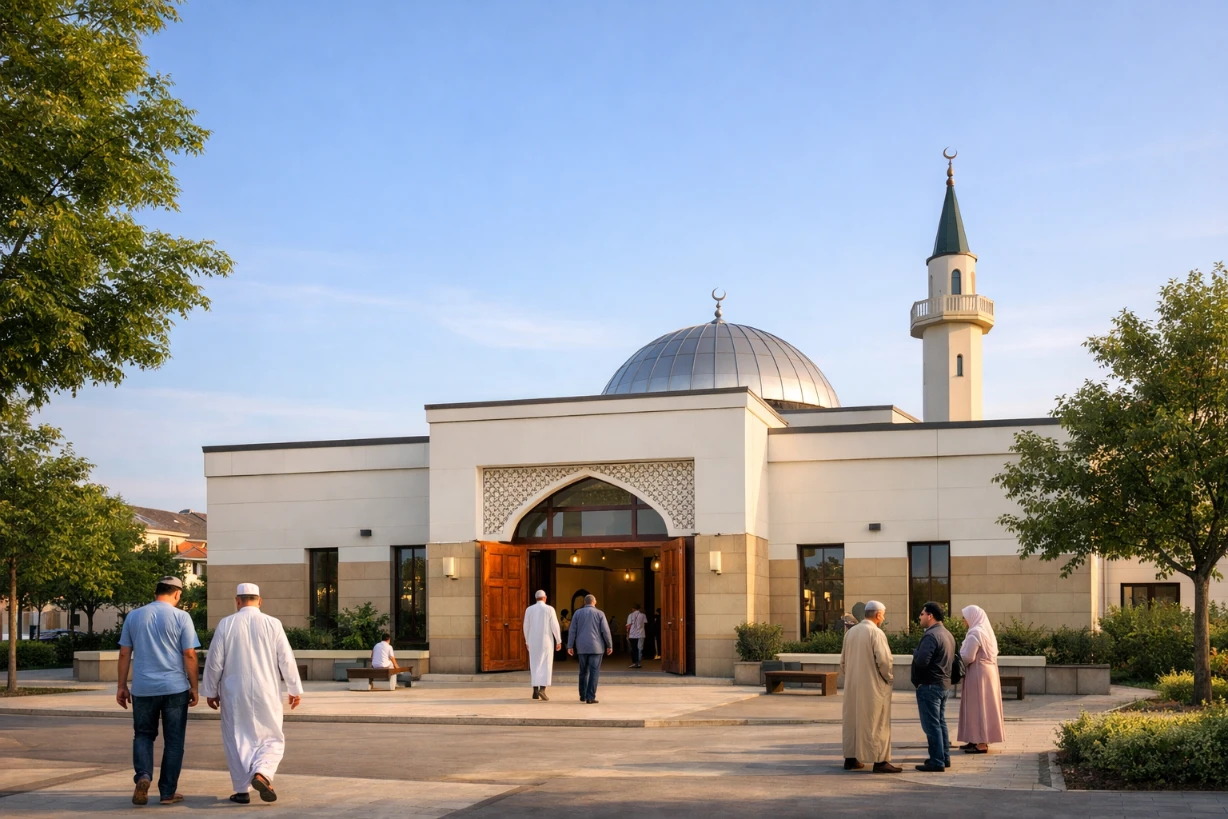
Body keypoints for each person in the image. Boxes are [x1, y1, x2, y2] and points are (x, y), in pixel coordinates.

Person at [202, 584, 303, 804]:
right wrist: (294, 689)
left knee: (236, 738)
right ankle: (263, 772)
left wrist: (210, 691)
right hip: (266, 691)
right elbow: (286, 658)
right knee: (271, 736)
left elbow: (214, 661)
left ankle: (242, 791)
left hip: (234, 693)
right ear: (260, 600)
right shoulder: (273, 623)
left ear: (237, 601)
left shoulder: (226, 624)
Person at [116, 576, 200, 806]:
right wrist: (194, 686)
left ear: (157, 592)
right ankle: (167, 793)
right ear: (177, 594)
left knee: (143, 735)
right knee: (174, 741)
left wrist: (122, 686)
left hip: (143, 688)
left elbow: (124, 653)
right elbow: (189, 654)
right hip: (175, 688)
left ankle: (143, 776)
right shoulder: (181, 617)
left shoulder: (134, 616)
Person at [840, 600, 900, 773]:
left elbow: (843, 662)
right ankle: (880, 761)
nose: (884, 618)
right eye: (884, 615)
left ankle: (851, 758)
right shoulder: (876, 632)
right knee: (877, 722)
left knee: (853, 721)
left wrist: (852, 677)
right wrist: (888, 678)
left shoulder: (851, 633)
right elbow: (884, 661)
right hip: (874, 686)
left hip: (853, 686)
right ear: (878, 614)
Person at [910, 601, 955, 772]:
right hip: (943, 685)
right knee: (940, 722)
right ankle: (943, 757)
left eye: (922, 614)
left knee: (932, 725)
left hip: (930, 686)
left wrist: (916, 652)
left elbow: (922, 661)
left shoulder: (931, 635)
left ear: (930, 616)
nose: (919, 617)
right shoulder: (947, 634)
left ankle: (937, 761)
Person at [958, 604, 1006, 754]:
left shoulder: (975, 633)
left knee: (978, 706)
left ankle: (981, 743)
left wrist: (957, 656)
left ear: (973, 617)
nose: (963, 620)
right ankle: (975, 738)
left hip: (978, 674)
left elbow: (968, 657)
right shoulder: (985, 632)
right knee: (983, 706)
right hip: (987, 673)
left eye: (965, 617)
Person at [567, 594, 613, 704]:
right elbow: (606, 631)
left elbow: (572, 630)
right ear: (594, 602)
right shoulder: (600, 613)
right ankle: (590, 697)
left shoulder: (577, 613)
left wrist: (570, 646)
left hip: (582, 647)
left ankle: (582, 695)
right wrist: (609, 645)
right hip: (596, 648)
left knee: (583, 671)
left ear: (585, 602)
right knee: (594, 672)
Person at [523, 590, 562, 701]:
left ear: (536, 598)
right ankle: (542, 689)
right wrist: (558, 640)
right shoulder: (549, 609)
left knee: (534, 664)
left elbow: (526, 626)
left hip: (533, 641)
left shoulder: (529, 609)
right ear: (545, 597)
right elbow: (555, 625)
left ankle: (535, 690)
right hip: (546, 641)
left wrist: (527, 640)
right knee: (546, 664)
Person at [626, 604, 648, 668]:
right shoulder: (643, 615)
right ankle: (639, 663)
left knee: (633, 649)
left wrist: (627, 634)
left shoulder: (630, 615)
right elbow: (645, 623)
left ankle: (634, 662)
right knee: (640, 649)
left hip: (632, 634)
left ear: (633, 608)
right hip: (641, 634)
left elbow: (628, 625)